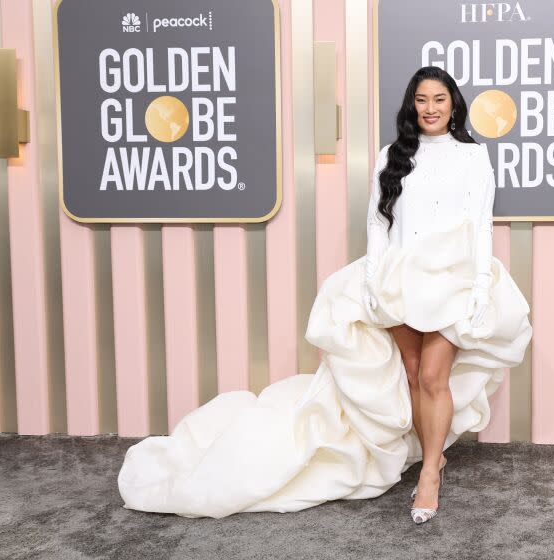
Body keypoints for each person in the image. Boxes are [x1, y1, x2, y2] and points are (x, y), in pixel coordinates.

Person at [117, 66, 532, 524]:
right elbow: (379, 224)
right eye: (421, 100)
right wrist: (374, 281)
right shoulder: (393, 154)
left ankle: (430, 471)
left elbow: (480, 227)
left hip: (452, 279)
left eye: (438, 99)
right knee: (412, 374)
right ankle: (434, 453)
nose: (430, 108)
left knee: (435, 375)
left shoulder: (473, 158)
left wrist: (477, 291)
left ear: (453, 103)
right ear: (411, 106)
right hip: (398, 279)